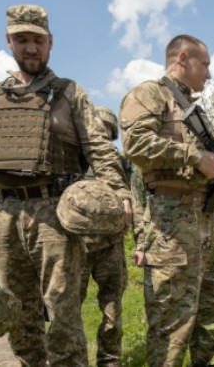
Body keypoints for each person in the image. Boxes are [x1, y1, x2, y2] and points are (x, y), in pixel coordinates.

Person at [0, 4, 131, 367]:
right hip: (4, 213)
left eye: (37, 40)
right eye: (22, 39)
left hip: (54, 212)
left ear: (50, 43)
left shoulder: (69, 93)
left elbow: (98, 147)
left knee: (63, 313)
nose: (30, 48)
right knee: (18, 314)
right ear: (9, 41)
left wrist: (121, 194)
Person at [119, 34, 214, 366]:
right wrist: (194, 156)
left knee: (213, 322)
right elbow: (135, 144)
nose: (208, 73)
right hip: (171, 225)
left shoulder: (191, 108)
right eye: (205, 64)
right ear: (183, 58)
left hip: (206, 224)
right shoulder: (149, 94)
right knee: (171, 328)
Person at [78, 107, 130, 367]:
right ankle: (72, 359)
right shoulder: (73, 159)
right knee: (67, 308)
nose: (103, 134)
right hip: (77, 244)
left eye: (108, 131)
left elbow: (130, 198)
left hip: (111, 244)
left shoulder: (119, 163)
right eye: (99, 128)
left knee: (112, 307)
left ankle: (109, 360)